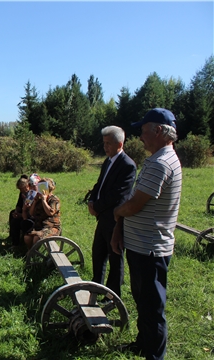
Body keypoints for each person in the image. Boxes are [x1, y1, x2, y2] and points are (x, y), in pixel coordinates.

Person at [112, 108, 182, 360]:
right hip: (142, 244)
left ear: (159, 131)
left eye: (143, 130)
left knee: (152, 308)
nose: (140, 136)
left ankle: (154, 355)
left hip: (150, 248)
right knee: (143, 301)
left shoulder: (161, 163)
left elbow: (134, 204)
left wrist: (117, 212)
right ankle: (143, 343)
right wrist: (121, 224)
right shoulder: (158, 159)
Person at [88, 126, 136, 298]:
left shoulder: (127, 165)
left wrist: (98, 207)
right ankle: (96, 286)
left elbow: (118, 194)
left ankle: (113, 295)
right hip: (102, 217)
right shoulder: (108, 161)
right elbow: (99, 185)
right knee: (98, 252)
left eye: (109, 143)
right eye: (104, 143)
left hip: (115, 219)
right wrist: (91, 200)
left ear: (120, 143)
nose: (105, 147)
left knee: (115, 256)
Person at [22, 177, 61, 253]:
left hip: (52, 227)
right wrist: (35, 201)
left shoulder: (54, 200)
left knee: (36, 238)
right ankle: (31, 252)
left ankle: (33, 254)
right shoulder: (39, 200)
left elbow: (50, 212)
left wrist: (44, 200)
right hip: (39, 225)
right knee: (27, 237)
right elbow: (31, 213)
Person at [8, 174, 29, 250]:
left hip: (28, 215)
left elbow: (29, 211)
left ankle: (16, 244)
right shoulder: (22, 193)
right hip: (23, 212)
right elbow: (19, 204)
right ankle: (12, 235)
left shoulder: (31, 194)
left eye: (22, 189)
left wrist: (20, 215)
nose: (21, 191)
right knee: (12, 213)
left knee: (16, 222)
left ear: (27, 186)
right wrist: (16, 211)